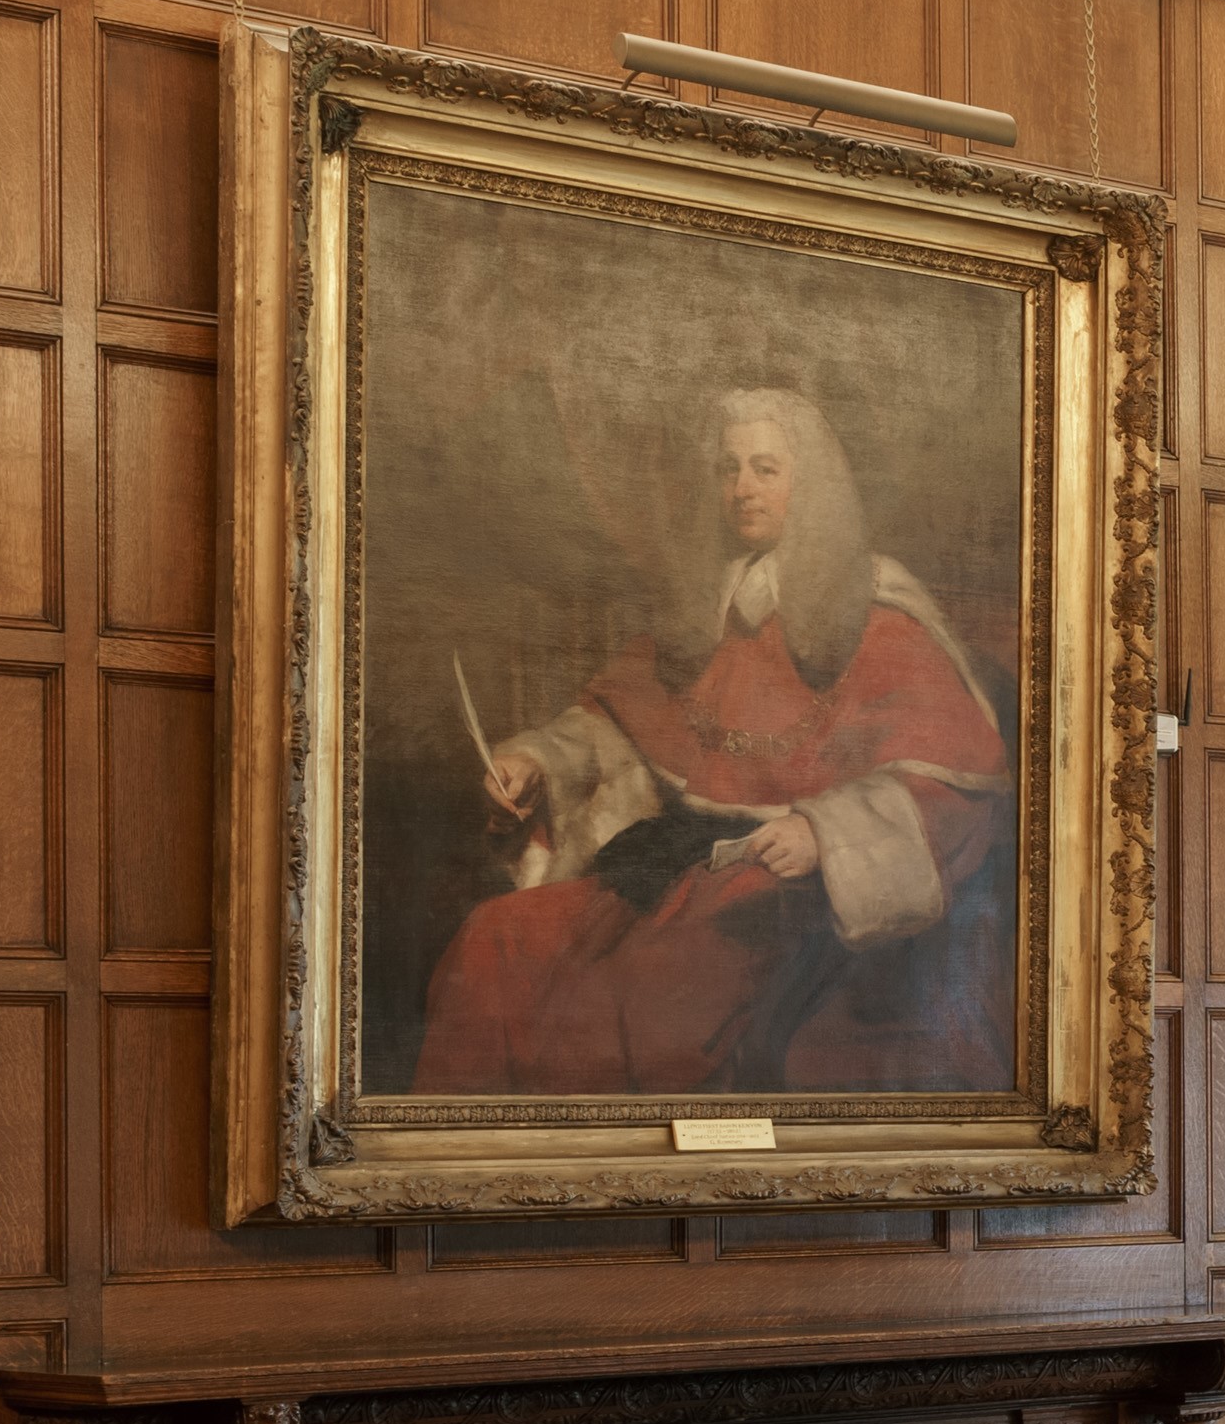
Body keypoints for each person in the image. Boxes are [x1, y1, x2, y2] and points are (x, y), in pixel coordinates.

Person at [415, 384, 1014, 1093]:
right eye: (729, 469)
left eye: (765, 468)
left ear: (812, 485)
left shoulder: (875, 607)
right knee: (495, 942)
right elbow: (620, 725)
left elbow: (950, 778)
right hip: (675, 867)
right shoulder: (708, 603)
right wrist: (535, 762)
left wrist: (825, 833)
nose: (742, 488)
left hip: (790, 893)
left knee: (659, 992)